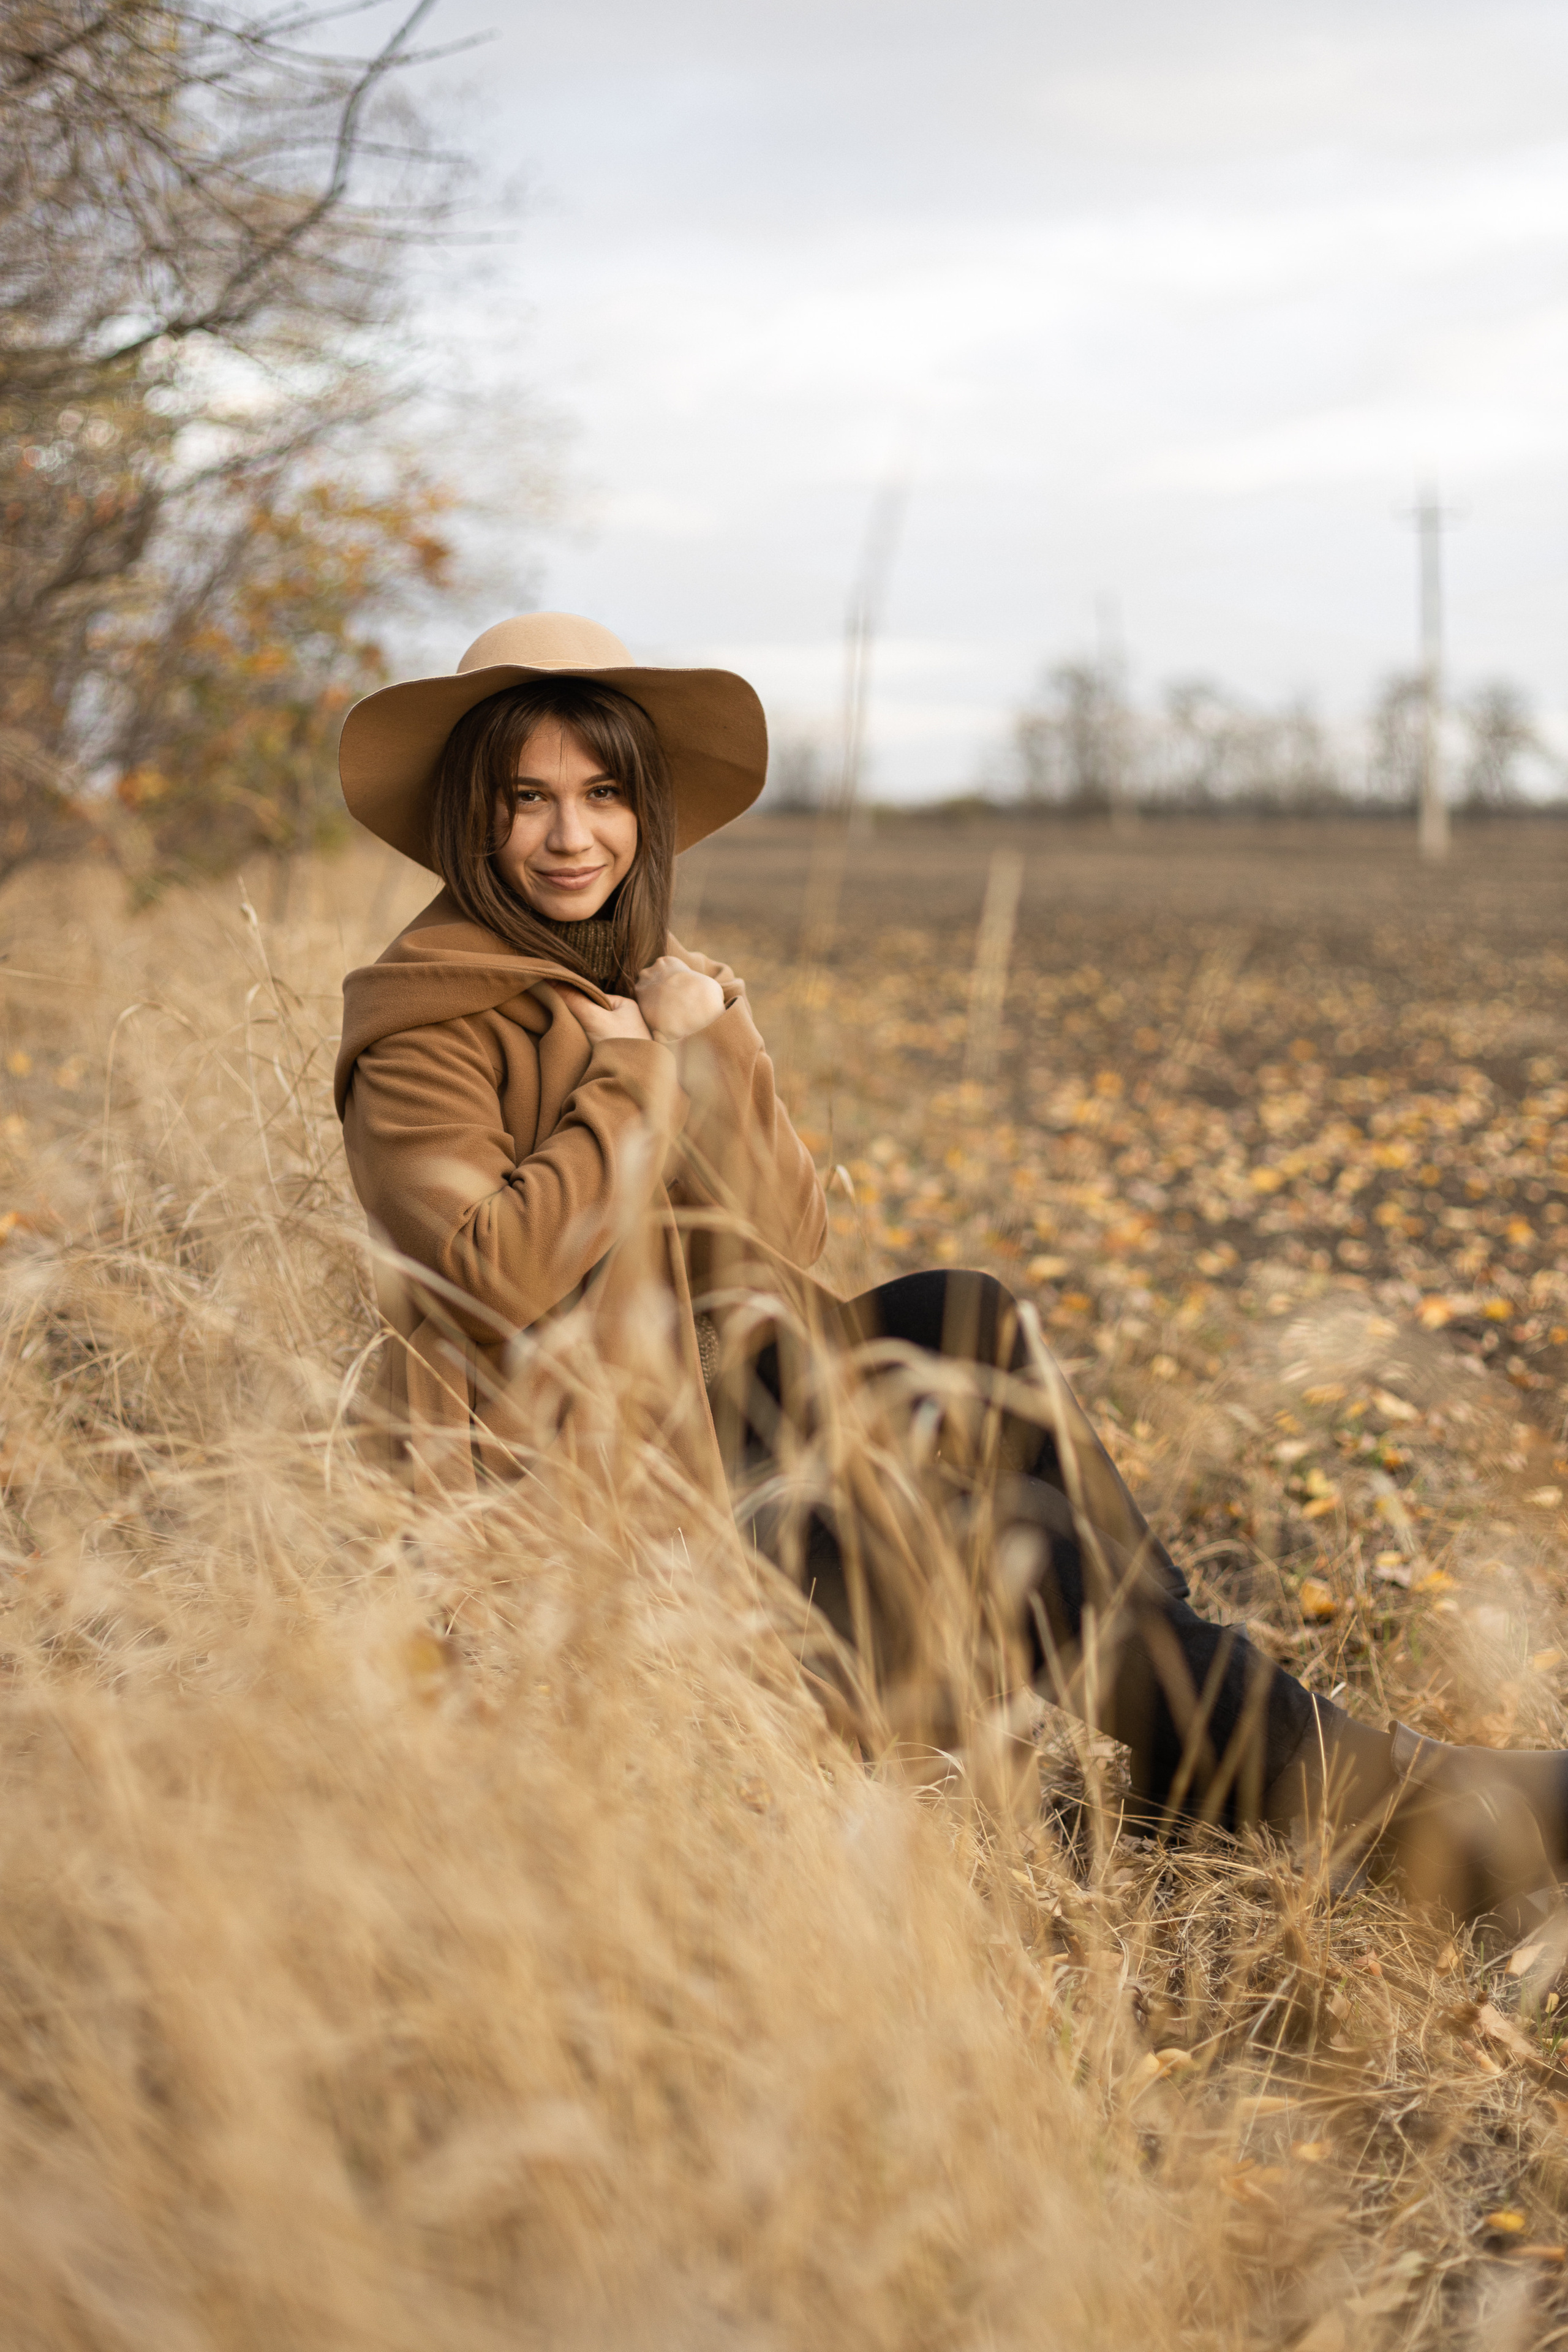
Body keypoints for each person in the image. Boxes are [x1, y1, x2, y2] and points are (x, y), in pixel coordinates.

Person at [334, 612, 1568, 1924]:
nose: (571, 836)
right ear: (474, 818)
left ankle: (1184, 1704)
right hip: (607, 1512)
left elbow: (788, 1231)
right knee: (1014, 1550)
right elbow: (487, 1277)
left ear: (644, 813)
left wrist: (709, 1042)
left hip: (715, 1413)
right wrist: (635, 1071)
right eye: (527, 801)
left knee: (960, 1318)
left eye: (602, 795)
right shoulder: (423, 1031)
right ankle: (1402, 1813)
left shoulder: (638, 985)